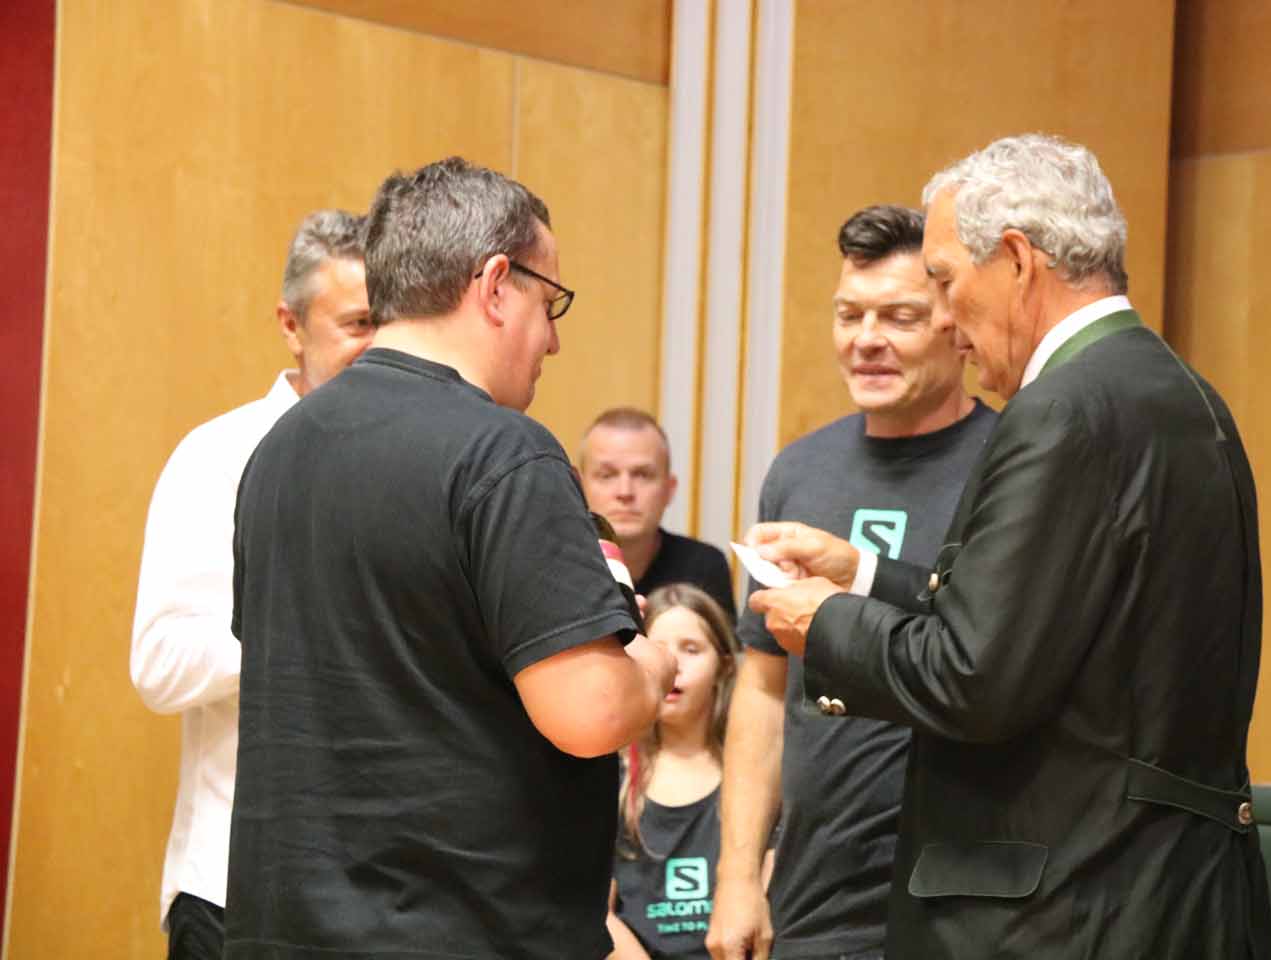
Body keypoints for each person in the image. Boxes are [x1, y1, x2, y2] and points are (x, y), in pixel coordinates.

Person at [747, 134, 1271, 959]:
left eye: (945, 281)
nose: (944, 319)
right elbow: (1044, 622)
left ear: (1019, 262)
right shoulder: (1181, 395)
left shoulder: (1060, 411)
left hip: (1068, 908)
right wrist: (867, 575)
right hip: (1170, 893)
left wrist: (828, 622)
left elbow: (975, 676)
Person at [225, 158, 677, 960]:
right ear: (496, 284)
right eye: (549, 302)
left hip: (287, 930)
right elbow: (591, 713)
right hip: (463, 930)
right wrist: (651, 659)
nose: (554, 338)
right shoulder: (505, 454)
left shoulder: (279, 450)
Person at [707, 205, 996, 960]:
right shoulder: (799, 472)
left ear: (956, 327)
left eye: (899, 317)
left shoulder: (1006, 467)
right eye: (849, 315)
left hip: (963, 898)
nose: (866, 339)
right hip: (812, 897)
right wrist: (736, 877)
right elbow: (763, 687)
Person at [130, 209, 372, 960]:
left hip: (384, 895)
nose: (377, 347)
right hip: (235, 888)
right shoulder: (217, 458)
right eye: (357, 324)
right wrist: (296, 629)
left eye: (389, 324)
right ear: (291, 326)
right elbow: (159, 664)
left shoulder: (425, 463)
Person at [608, 584, 741, 960]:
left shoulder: (749, 781)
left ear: (724, 666)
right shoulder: (612, 778)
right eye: (659, 648)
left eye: (691, 649)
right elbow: (595, 914)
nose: (673, 664)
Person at [579, 408, 736, 620]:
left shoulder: (704, 568)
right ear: (578, 487)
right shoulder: (554, 566)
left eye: (643, 475)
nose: (625, 492)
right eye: (607, 475)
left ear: (669, 489)